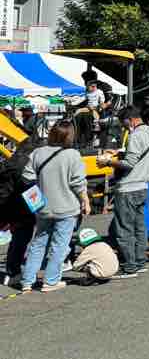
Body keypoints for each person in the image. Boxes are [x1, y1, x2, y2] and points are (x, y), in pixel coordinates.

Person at [19, 121, 90, 293]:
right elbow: (78, 182)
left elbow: (27, 177)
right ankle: (50, 281)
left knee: (38, 243)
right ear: (70, 136)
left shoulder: (38, 152)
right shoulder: (72, 154)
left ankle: (27, 280)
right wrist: (85, 200)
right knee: (59, 245)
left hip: (43, 207)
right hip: (67, 207)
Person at [98, 105, 149, 278]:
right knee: (140, 227)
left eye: (124, 124)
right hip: (143, 185)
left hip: (128, 187)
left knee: (124, 229)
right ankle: (139, 261)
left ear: (130, 120)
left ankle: (130, 266)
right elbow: (138, 155)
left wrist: (108, 162)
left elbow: (130, 163)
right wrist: (120, 151)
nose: (124, 128)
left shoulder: (136, 135)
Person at [1, 132, 37, 288]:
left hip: (8, 206)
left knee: (18, 238)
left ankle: (12, 270)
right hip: (21, 207)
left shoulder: (12, 161)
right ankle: (13, 272)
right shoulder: (26, 164)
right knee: (22, 238)